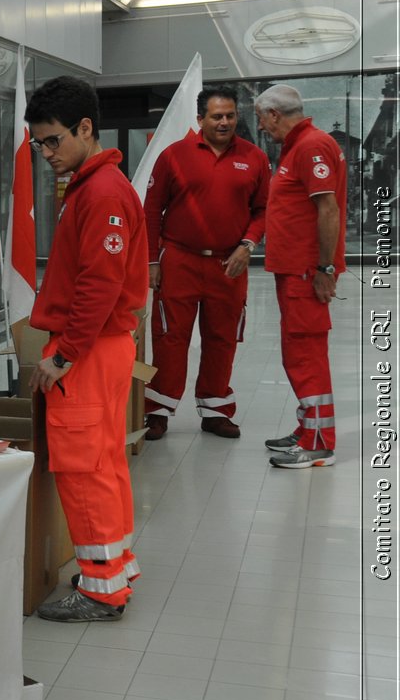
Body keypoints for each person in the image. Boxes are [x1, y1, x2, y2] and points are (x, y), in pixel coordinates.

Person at [24, 77, 148, 624]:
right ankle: (112, 569)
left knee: (81, 467)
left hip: (90, 349)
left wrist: (62, 356)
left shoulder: (101, 192)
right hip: (104, 346)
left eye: (52, 141)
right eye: (38, 145)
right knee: (104, 460)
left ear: (85, 129)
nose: (46, 153)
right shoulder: (96, 185)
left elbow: (99, 283)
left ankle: (101, 590)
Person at [141, 87, 270, 442]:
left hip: (230, 264)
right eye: (216, 116)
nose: (225, 122)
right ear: (200, 119)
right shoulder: (174, 156)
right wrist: (152, 261)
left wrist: (248, 245)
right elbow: (151, 211)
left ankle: (215, 411)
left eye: (230, 115)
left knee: (222, 338)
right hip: (179, 260)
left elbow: (263, 210)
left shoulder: (255, 158)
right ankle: (157, 411)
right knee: (170, 338)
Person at [254, 83, 347, 468]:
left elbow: (328, 209)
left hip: (306, 273)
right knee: (297, 353)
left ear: (275, 114)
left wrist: (325, 269)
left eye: (261, 119)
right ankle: (308, 425)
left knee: (306, 355)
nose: (261, 127)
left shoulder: (311, 145)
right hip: (294, 271)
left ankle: (318, 441)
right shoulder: (297, 146)